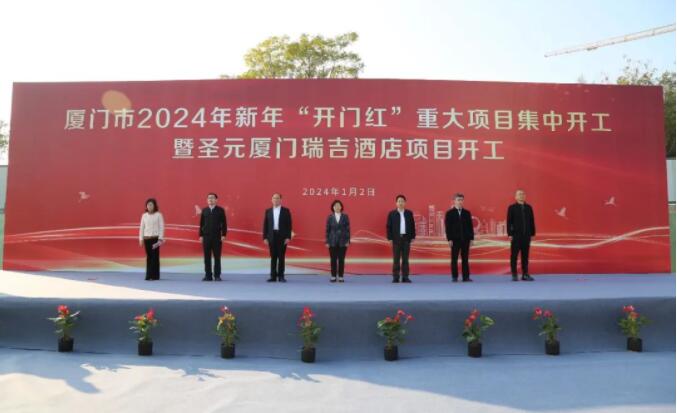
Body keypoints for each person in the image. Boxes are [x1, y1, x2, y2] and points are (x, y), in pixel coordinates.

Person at [262, 193, 292, 282]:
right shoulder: (268, 211)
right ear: (271, 200)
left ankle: (281, 276)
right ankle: (273, 276)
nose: (276, 200)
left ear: (281, 200)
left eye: (277, 198)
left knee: (281, 257)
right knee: (273, 257)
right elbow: (265, 225)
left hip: (282, 237)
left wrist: (288, 237)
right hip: (271, 236)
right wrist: (264, 237)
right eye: (274, 198)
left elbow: (289, 225)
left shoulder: (286, 211)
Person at [445, 193, 475, 282]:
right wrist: (449, 239)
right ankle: (454, 277)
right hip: (454, 240)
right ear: (454, 201)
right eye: (458, 200)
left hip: (465, 239)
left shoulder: (467, 213)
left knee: (465, 259)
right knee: (454, 259)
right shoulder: (449, 213)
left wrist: (471, 238)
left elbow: (470, 226)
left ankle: (466, 277)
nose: (460, 201)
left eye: (461, 200)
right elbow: (448, 227)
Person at [507, 189, 536, 281]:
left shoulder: (529, 207)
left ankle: (525, 274)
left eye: (523, 194)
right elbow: (509, 222)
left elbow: (532, 221)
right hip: (516, 236)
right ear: (515, 197)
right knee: (514, 255)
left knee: (525, 256)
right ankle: (514, 274)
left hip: (526, 236)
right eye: (519, 194)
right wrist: (510, 234)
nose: (521, 195)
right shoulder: (512, 208)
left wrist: (532, 233)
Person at [386, 194, 416, 283]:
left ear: (405, 203)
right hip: (396, 239)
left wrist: (413, 236)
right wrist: (390, 238)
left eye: (402, 201)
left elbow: (412, 226)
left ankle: (405, 277)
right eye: (399, 201)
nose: (400, 203)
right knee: (396, 259)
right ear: (396, 203)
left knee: (405, 259)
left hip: (406, 239)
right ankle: (395, 277)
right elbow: (388, 227)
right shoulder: (392, 214)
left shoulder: (409, 213)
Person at [199, 193, 227, 281]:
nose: (210, 199)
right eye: (209, 198)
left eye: (212, 198)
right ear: (207, 200)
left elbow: (224, 224)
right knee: (207, 257)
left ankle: (217, 275)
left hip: (217, 237)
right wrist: (201, 235)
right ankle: (208, 275)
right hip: (206, 237)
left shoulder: (220, 210)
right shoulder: (204, 210)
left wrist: (224, 234)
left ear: (216, 200)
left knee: (217, 257)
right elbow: (201, 224)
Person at [139, 198, 165, 281]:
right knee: (149, 257)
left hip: (155, 239)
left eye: (151, 205)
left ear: (154, 206)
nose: (149, 206)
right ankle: (150, 275)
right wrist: (141, 239)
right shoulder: (144, 216)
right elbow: (141, 228)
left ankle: (153, 275)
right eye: (148, 205)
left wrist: (160, 238)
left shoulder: (158, 215)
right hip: (147, 238)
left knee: (155, 257)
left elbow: (161, 227)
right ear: (146, 206)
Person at [325, 200, 350, 283]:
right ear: (333, 207)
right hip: (332, 241)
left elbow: (348, 229)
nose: (337, 207)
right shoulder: (330, 217)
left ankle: (341, 276)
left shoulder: (345, 216)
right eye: (335, 206)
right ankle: (333, 276)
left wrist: (348, 241)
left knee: (341, 260)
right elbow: (327, 230)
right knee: (333, 260)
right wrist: (327, 241)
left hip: (343, 241)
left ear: (341, 207)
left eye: (339, 205)